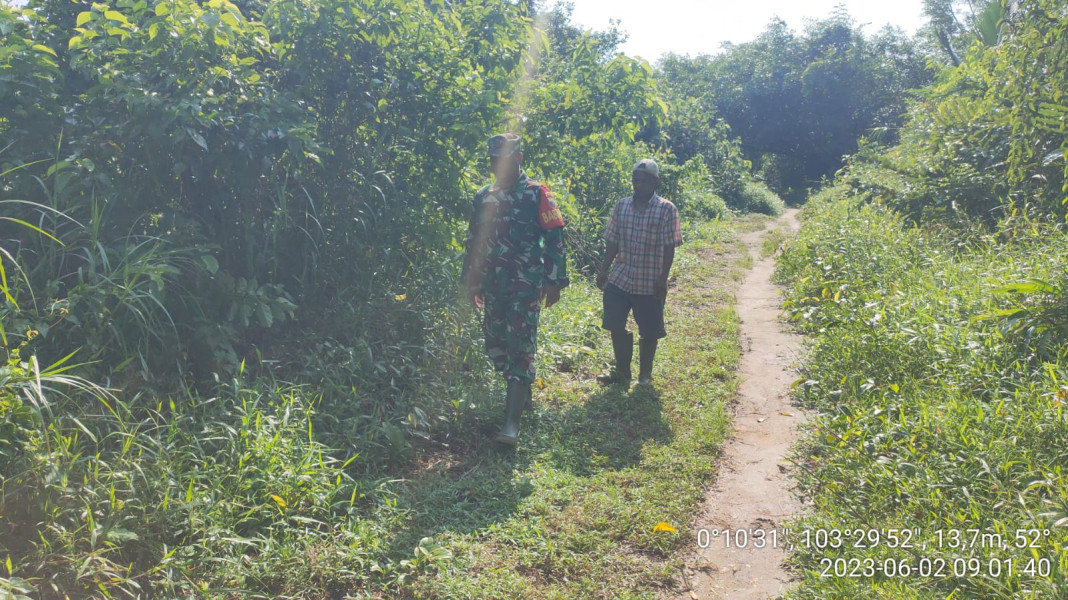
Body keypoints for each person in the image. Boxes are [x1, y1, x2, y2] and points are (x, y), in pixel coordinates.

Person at [461, 133, 569, 445]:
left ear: (519, 158)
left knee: (521, 348)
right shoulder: (484, 196)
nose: (499, 165)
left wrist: (554, 280)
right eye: (494, 160)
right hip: (494, 285)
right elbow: (474, 244)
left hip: (526, 284)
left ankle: (511, 425)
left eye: (505, 159)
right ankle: (522, 395)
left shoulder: (537, 193)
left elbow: (554, 238)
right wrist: (472, 281)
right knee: (497, 346)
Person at [596, 158, 682, 386]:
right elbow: (613, 241)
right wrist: (604, 269)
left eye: (645, 181)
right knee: (614, 322)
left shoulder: (666, 209)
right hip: (621, 276)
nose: (639, 185)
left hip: (649, 279)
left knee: (650, 329)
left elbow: (669, 247)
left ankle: (645, 375)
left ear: (656, 182)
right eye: (636, 180)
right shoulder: (622, 206)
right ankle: (623, 371)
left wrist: (663, 279)